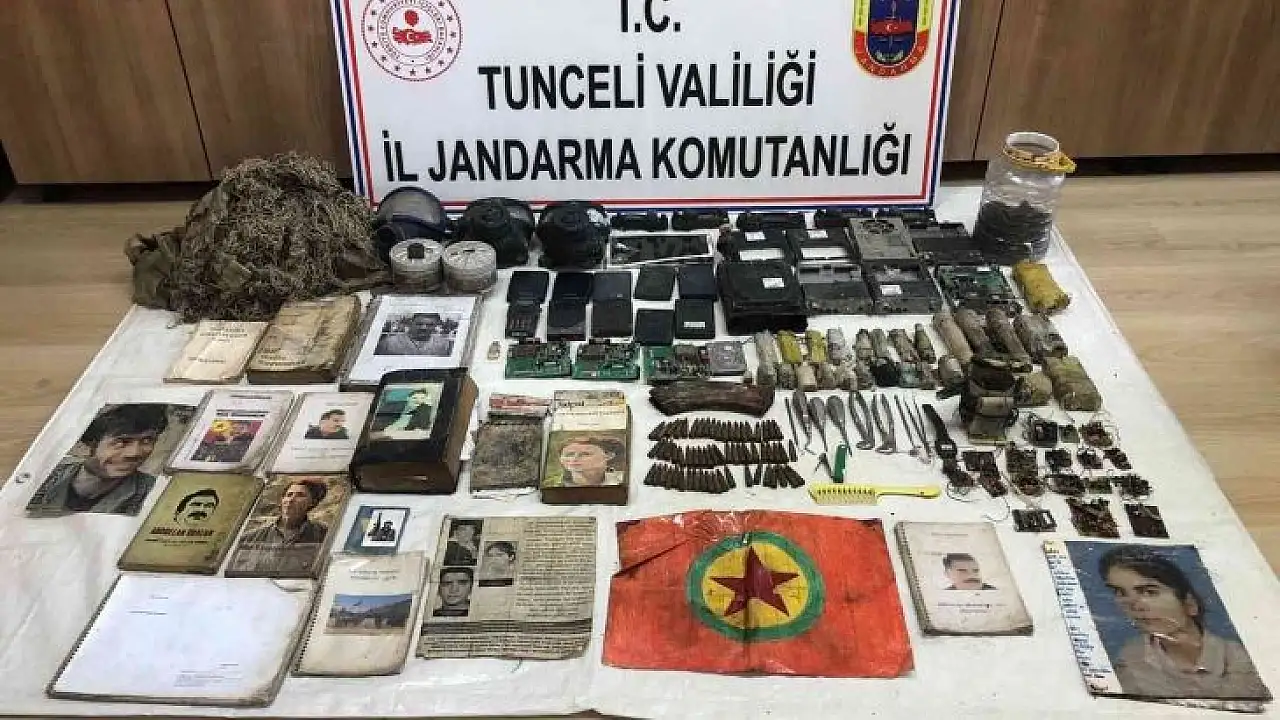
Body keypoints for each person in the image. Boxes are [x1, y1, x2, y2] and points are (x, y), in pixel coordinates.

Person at [1100, 546, 1269, 699]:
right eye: (1121, 593)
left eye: (1149, 592)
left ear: (1189, 603)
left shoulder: (1242, 660)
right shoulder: (1130, 658)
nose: (1135, 605)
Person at [32, 404, 169, 515]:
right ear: (88, 444)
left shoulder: (155, 492)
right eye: (121, 442)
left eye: (147, 441)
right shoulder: (43, 476)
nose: (135, 453)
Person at [240, 479, 329, 546]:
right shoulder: (252, 537)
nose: (291, 500)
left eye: (300, 495)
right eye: (289, 495)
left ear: (312, 502)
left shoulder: (324, 534)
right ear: (282, 500)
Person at [557, 436, 626, 487]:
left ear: (608, 456)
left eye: (585, 454)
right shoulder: (555, 485)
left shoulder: (624, 480)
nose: (574, 459)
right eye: (569, 455)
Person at [376, 313, 454, 356]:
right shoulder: (388, 343)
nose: (423, 328)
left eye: (429, 325)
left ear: (435, 326)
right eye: (419, 324)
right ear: (411, 323)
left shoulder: (445, 345)